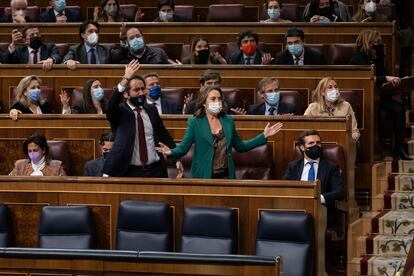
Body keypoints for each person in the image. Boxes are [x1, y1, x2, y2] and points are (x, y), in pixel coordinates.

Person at [156, 86, 283, 179]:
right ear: (204, 103)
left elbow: (241, 147)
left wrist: (264, 136)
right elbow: (183, 148)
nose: (217, 102)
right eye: (212, 99)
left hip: (226, 177)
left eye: (219, 99)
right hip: (203, 176)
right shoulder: (195, 122)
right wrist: (171, 152)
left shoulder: (228, 121)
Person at [102, 60, 183, 177]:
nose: (141, 93)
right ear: (126, 94)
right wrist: (125, 78)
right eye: (136, 90)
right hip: (128, 171)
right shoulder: (119, 111)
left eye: (143, 89)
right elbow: (110, 106)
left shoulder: (151, 109)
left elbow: (164, 135)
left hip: (155, 170)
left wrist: (176, 158)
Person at [350, 29, 410, 160]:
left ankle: (398, 149)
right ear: (368, 42)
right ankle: (377, 149)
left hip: (380, 96)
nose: (379, 45)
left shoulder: (378, 56)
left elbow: (380, 78)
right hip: (367, 100)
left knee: (399, 109)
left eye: (380, 42)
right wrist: (386, 78)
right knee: (381, 114)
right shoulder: (357, 58)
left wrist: (390, 84)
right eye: (376, 42)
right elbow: (366, 79)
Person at [282, 130, 344, 235]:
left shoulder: (331, 167)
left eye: (318, 143)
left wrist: (317, 198)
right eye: (311, 143)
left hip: (320, 212)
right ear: (302, 147)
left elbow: (339, 192)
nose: (316, 145)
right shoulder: (293, 166)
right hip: (296, 209)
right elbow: (283, 189)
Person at [304, 77, 360, 141]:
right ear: (322, 92)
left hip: (341, 143)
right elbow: (304, 130)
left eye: (335, 87)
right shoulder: (312, 108)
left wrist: (348, 140)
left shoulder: (346, 106)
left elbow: (355, 132)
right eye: (330, 87)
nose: (334, 90)